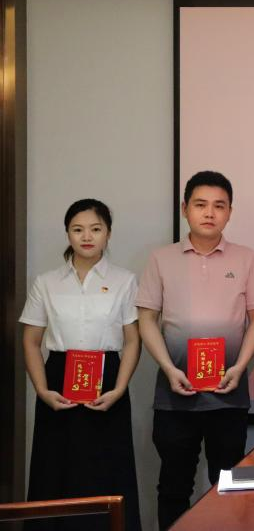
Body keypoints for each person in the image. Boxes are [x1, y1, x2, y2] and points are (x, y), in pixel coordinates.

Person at [137, 171, 254, 530]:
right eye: (200, 205)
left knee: (228, 487)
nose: (210, 213)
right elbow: (146, 319)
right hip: (175, 393)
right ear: (185, 209)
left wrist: (240, 367)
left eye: (219, 206)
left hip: (229, 393)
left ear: (230, 212)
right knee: (174, 486)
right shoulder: (161, 258)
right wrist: (168, 368)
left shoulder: (247, 258)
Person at [20, 198, 142, 531]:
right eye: (78, 229)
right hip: (58, 380)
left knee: (108, 470)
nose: (87, 237)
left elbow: (133, 340)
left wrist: (119, 389)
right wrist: (42, 390)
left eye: (95, 229)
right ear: (68, 234)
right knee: (55, 469)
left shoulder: (125, 280)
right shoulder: (46, 282)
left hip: (108, 380)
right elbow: (30, 341)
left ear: (108, 234)